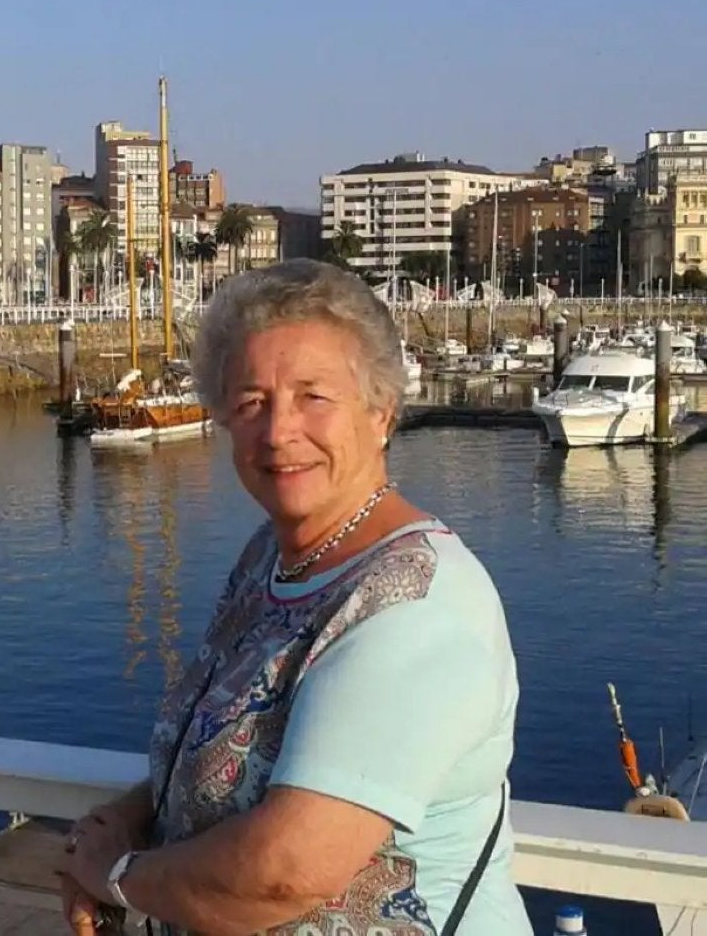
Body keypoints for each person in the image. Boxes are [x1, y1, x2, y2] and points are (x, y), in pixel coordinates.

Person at [57, 259, 531, 935]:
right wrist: (124, 825)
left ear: (380, 412)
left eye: (313, 396)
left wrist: (117, 877)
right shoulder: (267, 561)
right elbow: (218, 760)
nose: (279, 431)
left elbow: (287, 870)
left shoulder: (415, 601)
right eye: (252, 402)